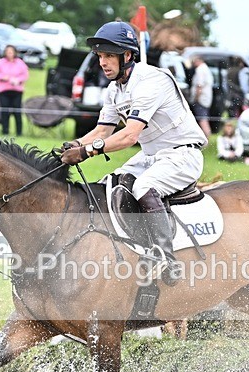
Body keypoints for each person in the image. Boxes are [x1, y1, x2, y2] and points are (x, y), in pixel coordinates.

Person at [59, 21, 208, 284]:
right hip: (152, 156)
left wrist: (87, 151)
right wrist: (75, 144)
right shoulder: (114, 89)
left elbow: (130, 136)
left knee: (143, 187)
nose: (102, 63)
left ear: (127, 55)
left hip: (182, 156)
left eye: (109, 56)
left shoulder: (152, 81)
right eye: (100, 56)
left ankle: (165, 257)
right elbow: (102, 130)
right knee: (111, 183)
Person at [0, 44, 29, 137]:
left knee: (17, 111)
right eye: (8, 52)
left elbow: (25, 75)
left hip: (17, 91)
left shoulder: (20, 63)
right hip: (4, 90)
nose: (10, 54)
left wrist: (18, 80)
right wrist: (4, 77)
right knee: (4, 111)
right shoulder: (0, 62)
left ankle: (19, 132)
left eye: (11, 52)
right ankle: (5, 131)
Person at [189, 55, 214, 137]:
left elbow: (199, 85)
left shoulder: (200, 69)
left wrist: (196, 98)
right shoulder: (206, 69)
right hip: (205, 98)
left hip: (201, 99)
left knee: (202, 120)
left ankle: (207, 139)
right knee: (203, 119)